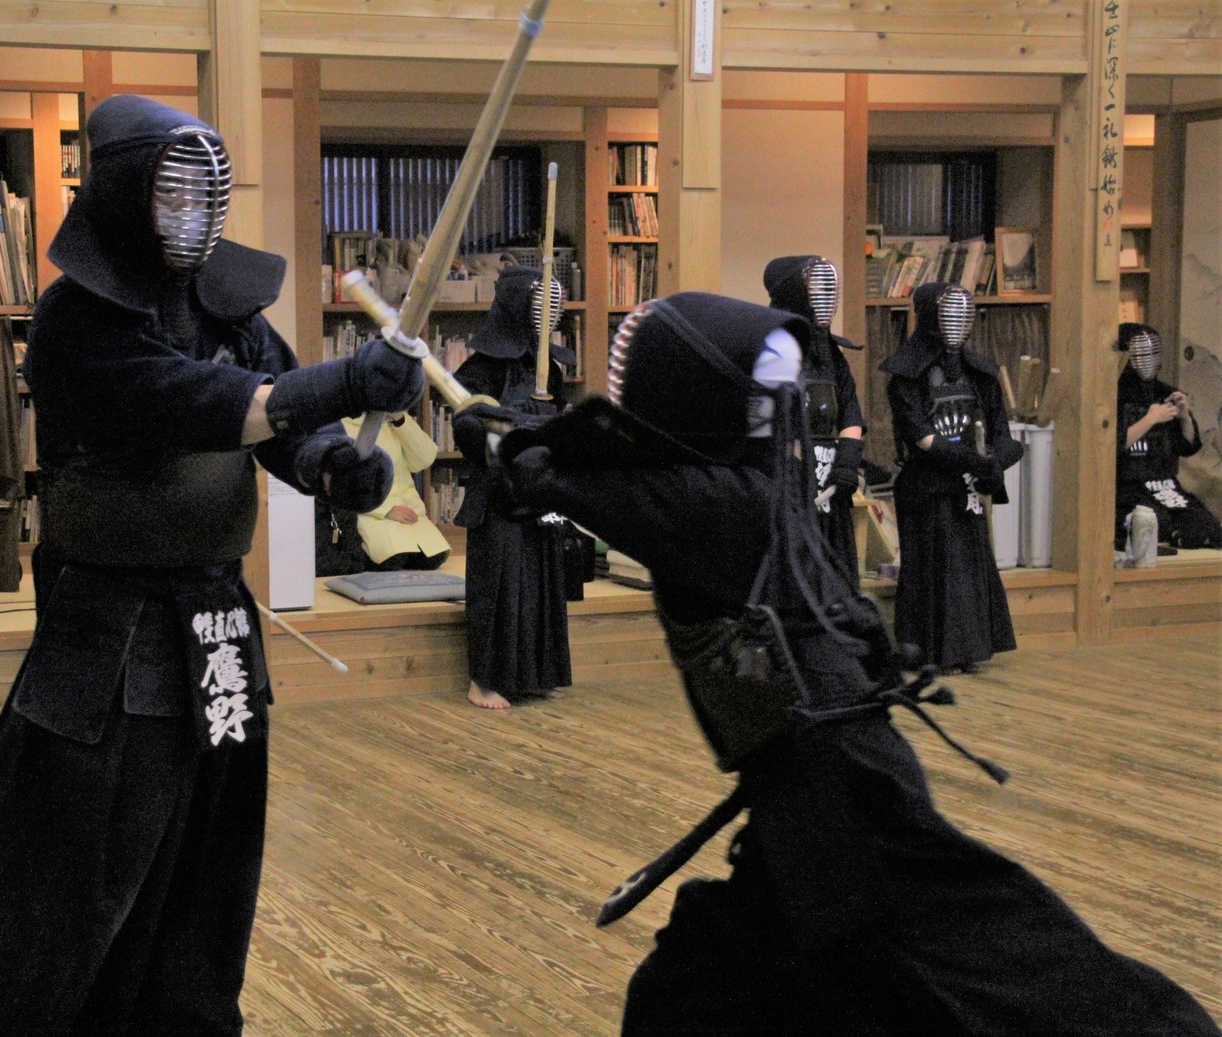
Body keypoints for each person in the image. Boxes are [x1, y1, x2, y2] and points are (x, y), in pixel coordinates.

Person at [489, 290, 1220, 1037]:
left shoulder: (724, 506)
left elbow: (571, 479)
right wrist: (520, 431)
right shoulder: (741, 482)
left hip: (842, 792)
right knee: (707, 986)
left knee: (993, 964)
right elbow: (618, 458)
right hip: (810, 783)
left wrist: (511, 448)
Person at [0, 95, 422, 1036]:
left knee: (211, 857)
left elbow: (273, 420)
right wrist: (339, 382)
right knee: (71, 867)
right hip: (111, 629)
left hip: (216, 618)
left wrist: (326, 462)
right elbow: (196, 401)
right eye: (169, 194)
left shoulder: (229, 305)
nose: (190, 214)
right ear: (121, 194)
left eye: (202, 196)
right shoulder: (75, 320)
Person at [881, 282, 1021, 674]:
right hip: (926, 486)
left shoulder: (981, 374)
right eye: (948, 314)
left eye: (963, 314)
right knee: (935, 565)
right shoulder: (907, 375)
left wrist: (997, 460)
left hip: (968, 487)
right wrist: (971, 460)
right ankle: (932, 650)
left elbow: (1001, 430)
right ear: (931, 317)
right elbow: (921, 436)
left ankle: (970, 647)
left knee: (969, 564)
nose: (956, 323)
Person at [451, 265, 573, 711]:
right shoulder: (481, 367)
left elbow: (557, 417)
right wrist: (513, 425)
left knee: (543, 581)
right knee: (498, 586)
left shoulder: (548, 368)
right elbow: (467, 422)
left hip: (537, 488)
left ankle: (538, 674)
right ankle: (484, 681)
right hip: (499, 489)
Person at [763, 255, 865, 584]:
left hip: (831, 479)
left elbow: (850, 412)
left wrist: (846, 464)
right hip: (789, 479)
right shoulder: (773, 352)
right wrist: (794, 466)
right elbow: (773, 416)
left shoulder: (833, 357)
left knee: (836, 568)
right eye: (814, 291)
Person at [1115, 322, 1222, 550]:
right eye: (1140, 354)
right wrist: (1150, 419)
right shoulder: (1113, 396)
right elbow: (1112, 445)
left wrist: (1184, 417)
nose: (1147, 360)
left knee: (1205, 526)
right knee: (1153, 523)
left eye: (1152, 353)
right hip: (1128, 487)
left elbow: (1189, 447)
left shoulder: (1165, 393)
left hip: (1165, 484)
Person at [340, 410, 452, 570]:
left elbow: (425, 458)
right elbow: (345, 483)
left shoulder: (393, 421)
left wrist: (400, 419)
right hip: (373, 514)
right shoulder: (343, 427)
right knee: (393, 560)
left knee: (434, 558)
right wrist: (386, 511)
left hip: (409, 512)